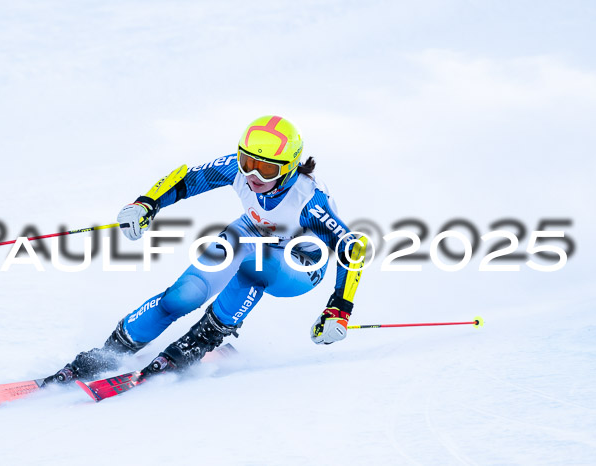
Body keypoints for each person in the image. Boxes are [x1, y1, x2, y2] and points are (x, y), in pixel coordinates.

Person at [45, 115, 368, 384]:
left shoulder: (309, 200)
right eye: (247, 162)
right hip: (252, 232)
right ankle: (114, 349)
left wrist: (338, 308)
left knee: (255, 260)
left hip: (300, 264)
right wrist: (147, 204)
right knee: (185, 294)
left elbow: (352, 247)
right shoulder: (238, 170)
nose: (253, 175)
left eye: (266, 169)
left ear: (288, 168)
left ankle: (201, 338)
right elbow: (188, 179)